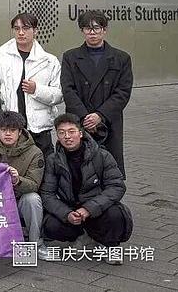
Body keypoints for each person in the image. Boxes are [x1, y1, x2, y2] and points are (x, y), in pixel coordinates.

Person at [40, 113, 133, 264]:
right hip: (71, 209)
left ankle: (110, 245)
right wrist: (67, 214)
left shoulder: (102, 155)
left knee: (116, 215)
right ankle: (81, 236)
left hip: (97, 208)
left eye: (71, 131)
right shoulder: (53, 160)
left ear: (81, 133)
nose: (67, 137)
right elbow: (47, 194)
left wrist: (89, 209)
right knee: (51, 225)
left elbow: (116, 186)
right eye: (61, 133)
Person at [60, 10, 132, 176]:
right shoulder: (70, 57)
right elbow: (68, 89)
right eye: (87, 28)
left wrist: (100, 115)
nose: (92, 32)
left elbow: (123, 91)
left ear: (104, 30)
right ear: (82, 31)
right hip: (80, 120)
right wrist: (85, 117)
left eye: (96, 28)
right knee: (79, 169)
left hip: (109, 121)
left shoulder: (121, 58)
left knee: (109, 169)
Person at [0, 13, 63, 157]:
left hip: (39, 130)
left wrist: (36, 90)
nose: (21, 33)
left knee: (44, 167)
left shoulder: (49, 61)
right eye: (17, 29)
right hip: (9, 129)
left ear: (35, 31)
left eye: (26, 28)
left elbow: (59, 95)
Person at [0, 111, 46, 259]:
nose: (8, 134)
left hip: (19, 199)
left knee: (33, 199)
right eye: (3, 130)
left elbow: (34, 184)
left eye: (12, 130)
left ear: (20, 131)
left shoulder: (34, 152)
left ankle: (36, 243)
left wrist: (17, 180)